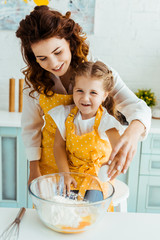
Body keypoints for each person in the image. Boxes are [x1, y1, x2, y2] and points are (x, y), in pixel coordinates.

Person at [16, 5, 151, 185]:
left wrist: (132, 134)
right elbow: (30, 128)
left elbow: (138, 107)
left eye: (58, 52)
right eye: (42, 58)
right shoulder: (33, 81)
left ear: (69, 42)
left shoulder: (97, 73)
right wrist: (34, 169)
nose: (54, 63)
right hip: (52, 166)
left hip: (92, 171)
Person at [48, 61, 124, 200]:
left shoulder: (106, 122)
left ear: (104, 95)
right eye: (80, 91)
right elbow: (58, 146)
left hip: (96, 177)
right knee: (62, 207)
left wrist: (112, 164)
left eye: (93, 92)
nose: (85, 98)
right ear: (73, 89)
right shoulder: (65, 115)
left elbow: (120, 151)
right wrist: (65, 174)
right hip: (71, 175)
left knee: (89, 210)